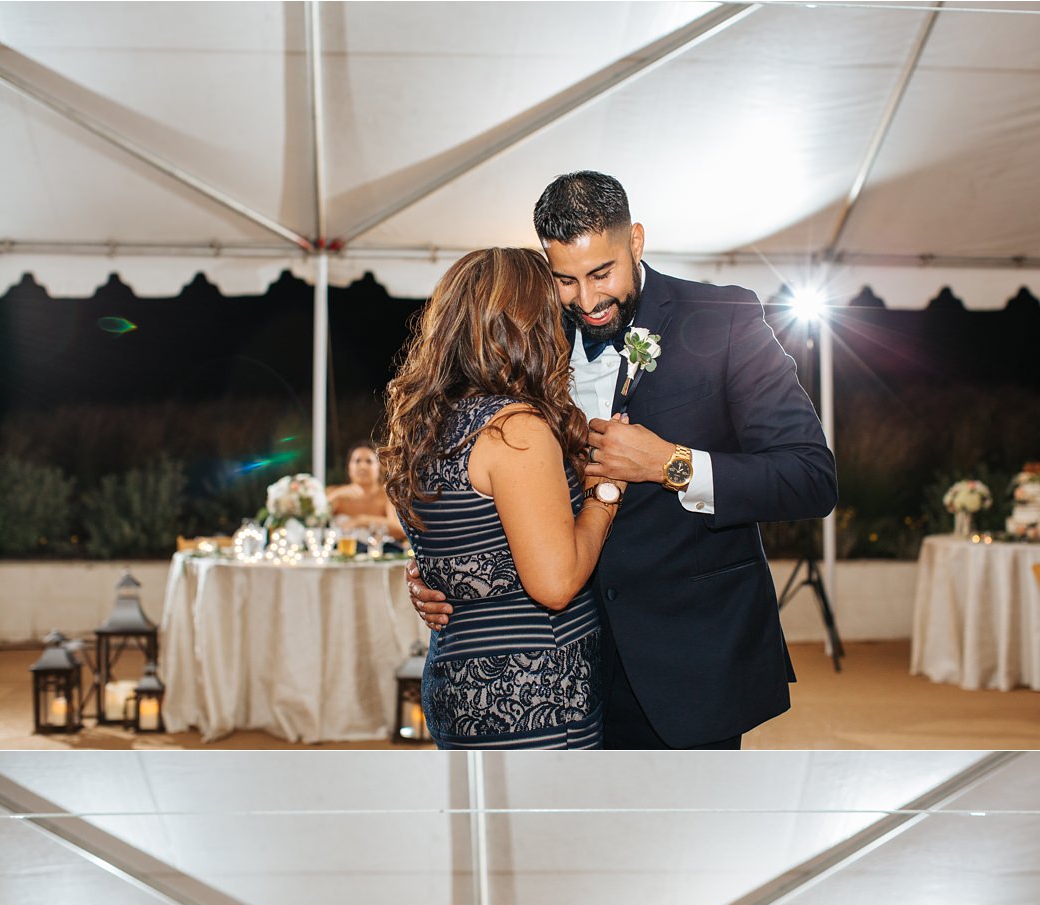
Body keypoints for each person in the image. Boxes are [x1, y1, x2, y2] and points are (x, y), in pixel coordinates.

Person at [409, 170, 837, 749]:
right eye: (565, 279)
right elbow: (488, 474)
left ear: (635, 240)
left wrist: (673, 464)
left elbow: (811, 478)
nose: (586, 301)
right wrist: (451, 573)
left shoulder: (724, 318)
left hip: (687, 660)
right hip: (556, 667)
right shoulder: (533, 331)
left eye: (600, 273)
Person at [381, 246, 622, 748]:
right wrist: (606, 492)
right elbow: (554, 584)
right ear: (529, 326)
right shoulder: (514, 429)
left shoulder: (426, 423)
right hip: (535, 693)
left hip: (458, 685)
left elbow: (462, 541)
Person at [326, 442, 405, 539]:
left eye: (369, 461)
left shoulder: (388, 496)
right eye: (357, 461)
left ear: (379, 467)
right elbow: (313, 521)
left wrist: (361, 521)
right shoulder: (334, 493)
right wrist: (335, 496)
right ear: (349, 467)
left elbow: (400, 529)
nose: (363, 466)